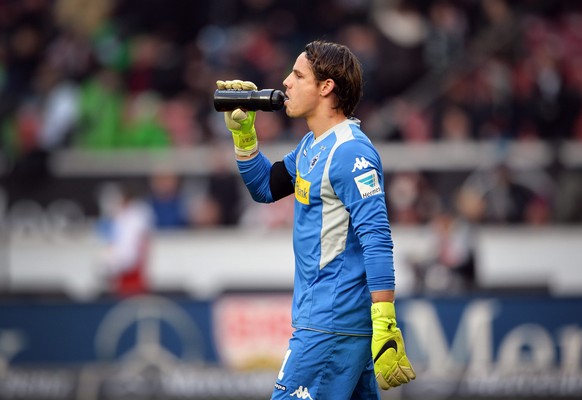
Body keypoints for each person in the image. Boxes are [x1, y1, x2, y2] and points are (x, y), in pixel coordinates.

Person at [217, 40, 415, 399]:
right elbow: (265, 187)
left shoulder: (350, 152)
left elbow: (377, 237)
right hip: (331, 323)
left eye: (297, 75)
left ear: (326, 87)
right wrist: (244, 134)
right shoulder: (312, 146)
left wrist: (385, 318)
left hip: (330, 323)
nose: (285, 83)